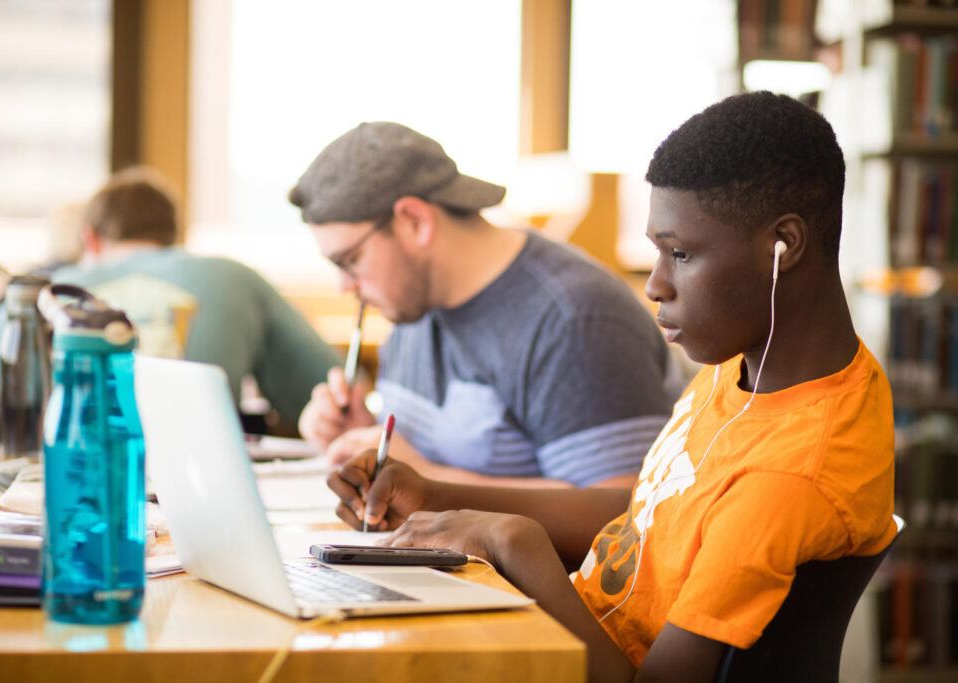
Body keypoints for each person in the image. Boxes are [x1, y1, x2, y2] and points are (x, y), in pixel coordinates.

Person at [325, 92, 897, 683]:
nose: (654, 285)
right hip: (565, 631)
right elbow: (650, 515)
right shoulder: (751, 371)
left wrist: (514, 539)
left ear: (785, 246)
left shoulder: (787, 476)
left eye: (680, 253)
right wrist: (436, 496)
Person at [290, 122, 681, 488]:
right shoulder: (411, 300)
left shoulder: (577, 320)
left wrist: (427, 482)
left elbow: (623, 517)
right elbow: (436, 454)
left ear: (414, 222)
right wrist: (362, 434)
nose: (345, 285)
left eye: (350, 260)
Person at [0, 166, 341, 430]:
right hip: (204, 496)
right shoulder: (234, 277)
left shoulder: (59, 291)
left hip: (85, 484)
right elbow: (329, 392)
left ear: (89, 238)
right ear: (176, 238)